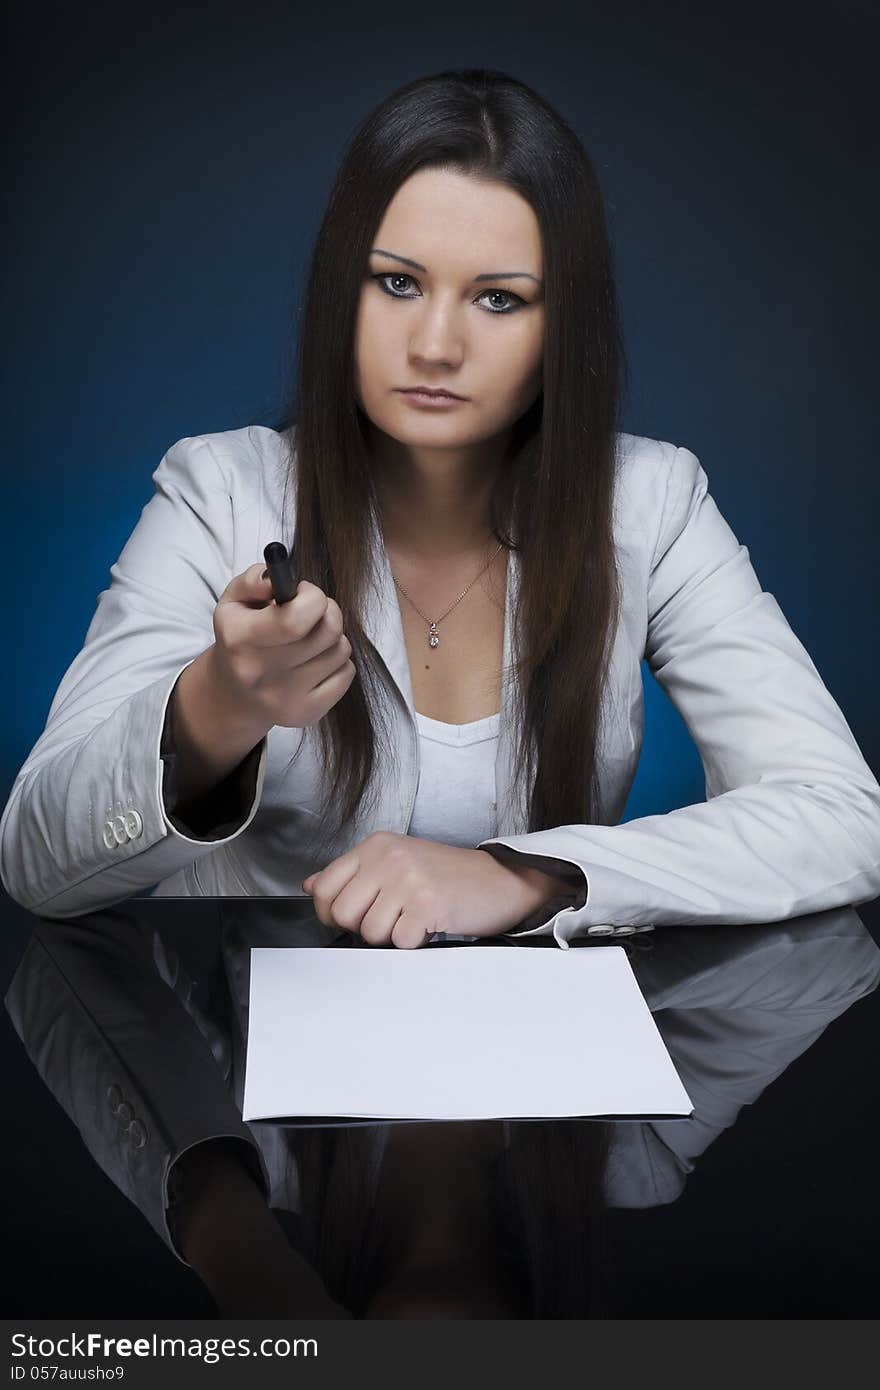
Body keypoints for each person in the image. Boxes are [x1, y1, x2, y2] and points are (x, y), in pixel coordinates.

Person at [2, 65, 880, 1316]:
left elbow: (846, 815)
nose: (433, 342)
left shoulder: (650, 504)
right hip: (245, 1060)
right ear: (340, 288)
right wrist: (218, 703)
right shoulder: (222, 492)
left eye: (499, 298)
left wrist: (529, 873)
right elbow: (35, 864)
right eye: (397, 281)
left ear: (560, 324)